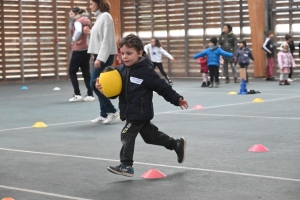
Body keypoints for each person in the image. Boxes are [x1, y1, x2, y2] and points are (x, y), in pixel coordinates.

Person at [95, 34, 188, 177]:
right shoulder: (120, 70)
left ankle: (126, 165)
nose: (125, 57)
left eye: (129, 53)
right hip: (129, 111)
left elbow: (162, 87)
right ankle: (175, 144)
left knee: (126, 134)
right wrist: (103, 88)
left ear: (140, 53)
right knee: (150, 137)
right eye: (123, 53)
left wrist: (177, 99)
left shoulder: (146, 71)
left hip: (140, 112)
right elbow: (114, 92)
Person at [83, 0, 119, 124]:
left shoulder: (106, 17)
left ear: (98, 4)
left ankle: (112, 111)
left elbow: (107, 40)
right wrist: (90, 32)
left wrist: (100, 58)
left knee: (94, 84)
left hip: (104, 55)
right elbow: (98, 37)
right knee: (97, 84)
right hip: (99, 54)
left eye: (91, 4)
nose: (90, 6)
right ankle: (103, 114)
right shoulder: (99, 18)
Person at [68, 7, 95, 102]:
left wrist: (73, 40)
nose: (70, 15)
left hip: (78, 49)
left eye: (71, 14)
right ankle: (90, 94)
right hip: (86, 49)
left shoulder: (77, 21)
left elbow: (78, 31)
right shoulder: (86, 20)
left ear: (75, 14)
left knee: (72, 71)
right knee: (86, 72)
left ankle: (77, 94)